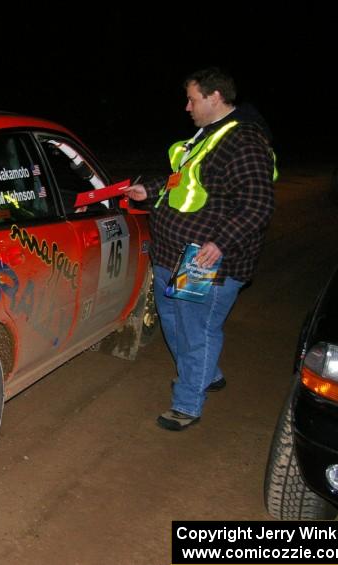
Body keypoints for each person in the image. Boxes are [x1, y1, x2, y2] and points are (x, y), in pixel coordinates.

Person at [121, 67, 276, 431]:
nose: (187, 107)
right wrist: (152, 189)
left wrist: (220, 242)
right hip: (172, 253)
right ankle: (207, 370)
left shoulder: (245, 143)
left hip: (205, 263)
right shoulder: (208, 136)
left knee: (196, 331)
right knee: (173, 322)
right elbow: (184, 180)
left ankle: (188, 403)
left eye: (192, 99)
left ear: (215, 97)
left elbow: (258, 204)